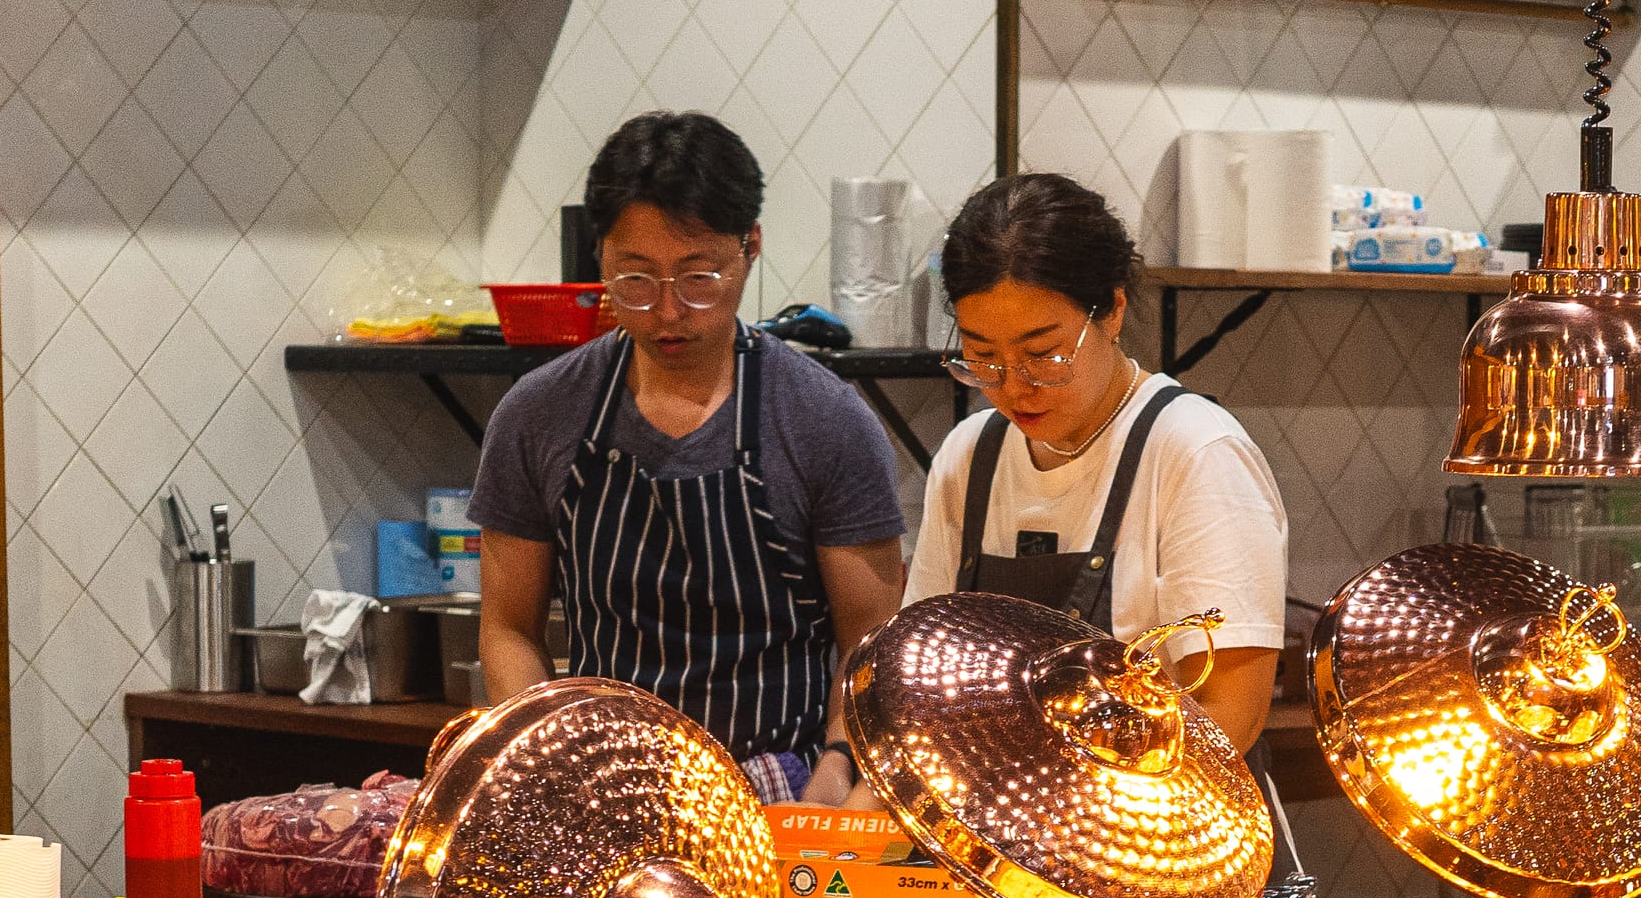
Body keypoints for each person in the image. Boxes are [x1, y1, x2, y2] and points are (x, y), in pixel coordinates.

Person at [472, 112, 905, 803]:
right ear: (600, 256)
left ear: (750, 248)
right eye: (635, 280)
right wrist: (546, 764)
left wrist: (840, 765)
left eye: (700, 277)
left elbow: (871, 647)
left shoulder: (826, 421)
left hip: (778, 791)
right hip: (601, 791)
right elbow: (509, 628)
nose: (669, 312)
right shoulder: (539, 414)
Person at [907, 172, 1288, 758]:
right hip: (995, 827)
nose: (1015, 387)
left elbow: (1229, 716)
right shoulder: (969, 455)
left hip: (1160, 830)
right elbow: (922, 690)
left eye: (1043, 354)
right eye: (982, 357)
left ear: (1111, 310)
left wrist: (1080, 830)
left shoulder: (1195, 452)